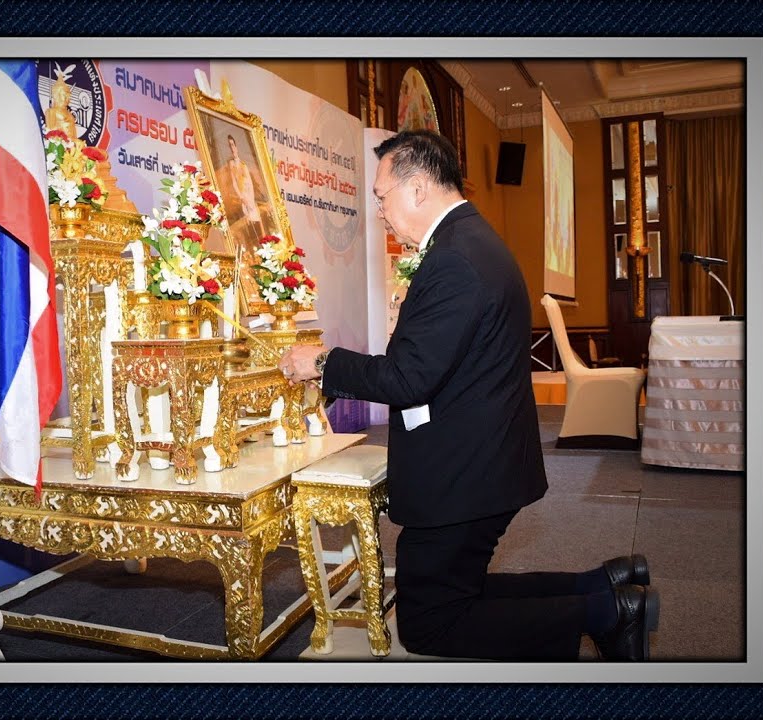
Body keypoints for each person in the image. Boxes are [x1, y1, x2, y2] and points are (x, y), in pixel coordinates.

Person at [278, 130, 659, 661]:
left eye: (382, 196)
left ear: (417, 189)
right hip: (481, 456)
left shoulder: (455, 259)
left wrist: (321, 362)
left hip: (468, 471)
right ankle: (600, 585)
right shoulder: (466, 242)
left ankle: (607, 612)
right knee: (454, 594)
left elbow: (409, 377)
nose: (381, 212)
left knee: (430, 623)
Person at [221, 133, 266, 243]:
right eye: (229, 145)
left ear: (236, 146)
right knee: (248, 222)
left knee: (256, 220)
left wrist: (251, 197)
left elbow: (249, 182)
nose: (232, 148)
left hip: (250, 195)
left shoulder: (244, 164)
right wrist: (242, 197)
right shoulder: (231, 164)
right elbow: (234, 182)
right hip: (243, 196)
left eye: (233, 145)